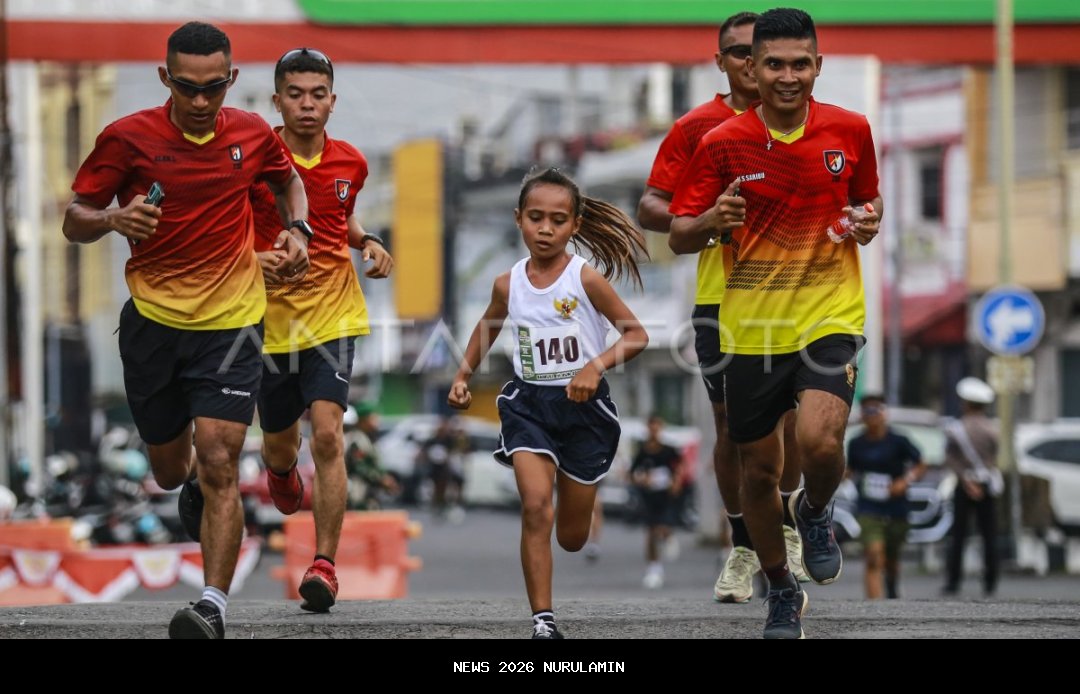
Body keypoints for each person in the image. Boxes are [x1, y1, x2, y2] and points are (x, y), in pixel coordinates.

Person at [63, 21, 310, 639]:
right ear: (164, 78)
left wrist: (296, 229)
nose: (201, 103)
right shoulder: (126, 138)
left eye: (214, 88)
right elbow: (73, 219)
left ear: (231, 79)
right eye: (186, 88)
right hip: (152, 325)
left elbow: (287, 180)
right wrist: (115, 218)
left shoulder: (252, 133)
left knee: (224, 457)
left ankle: (211, 607)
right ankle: (191, 478)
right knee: (173, 470)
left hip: (231, 324)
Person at [670, 7, 883, 639]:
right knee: (758, 473)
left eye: (800, 64)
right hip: (751, 330)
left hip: (828, 312)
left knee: (820, 442)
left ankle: (814, 509)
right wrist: (713, 220)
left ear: (818, 66)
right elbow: (680, 233)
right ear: (751, 71)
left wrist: (867, 222)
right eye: (774, 65)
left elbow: (865, 204)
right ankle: (782, 591)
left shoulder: (851, 130)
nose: (788, 77)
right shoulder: (719, 143)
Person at [637, 11, 807, 604]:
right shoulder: (698, 128)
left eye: (756, 54)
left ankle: (788, 527)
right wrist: (709, 221)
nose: (750, 65)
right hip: (721, 297)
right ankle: (742, 545)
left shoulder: (809, 121)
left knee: (793, 428)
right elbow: (652, 207)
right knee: (734, 427)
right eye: (737, 54)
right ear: (724, 62)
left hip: (798, 294)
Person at [447, 167, 649, 639]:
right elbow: (488, 325)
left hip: (585, 410)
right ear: (518, 219)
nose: (545, 229)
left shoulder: (586, 278)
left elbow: (637, 335)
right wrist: (462, 374)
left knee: (572, 538)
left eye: (558, 220)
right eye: (535, 217)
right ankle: (543, 622)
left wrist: (593, 366)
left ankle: (576, 495)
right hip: (528, 405)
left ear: (574, 225)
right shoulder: (507, 283)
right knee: (536, 506)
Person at [249, 47, 393, 613]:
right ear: (277, 100)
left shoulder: (351, 162)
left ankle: (325, 566)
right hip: (263, 323)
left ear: (332, 100)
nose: (307, 105)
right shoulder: (255, 161)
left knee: (330, 434)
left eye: (317, 94)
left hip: (333, 317)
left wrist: (372, 242)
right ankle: (280, 468)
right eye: (295, 94)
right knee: (281, 443)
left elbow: (344, 220)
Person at [846, 394, 927, 599]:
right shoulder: (856, 443)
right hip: (868, 507)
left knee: (890, 559)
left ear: (884, 413)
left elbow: (920, 463)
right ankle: (874, 607)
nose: (871, 416)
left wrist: (904, 481)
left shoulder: (898, 440)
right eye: (866, 411)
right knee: (874, 556)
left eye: (875, 410)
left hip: (896, 507)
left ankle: (891, 584)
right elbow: (849, 470)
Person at [942, 377, 1001, 597]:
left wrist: (966, 480)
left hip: (963, 484)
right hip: (986, 484)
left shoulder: (956, 428)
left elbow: (949, 457)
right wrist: (980, 480)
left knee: (958, 534)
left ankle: (953, 581)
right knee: (989, 534)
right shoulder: (992, 429)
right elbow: (995, 455)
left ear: (965, 403)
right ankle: (990, 581)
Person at [630, 415, 683, 589]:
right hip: (648, 495)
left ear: (660, 428)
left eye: (656, 427)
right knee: (651, 531)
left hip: (666, 494)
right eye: (650, 427)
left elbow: (680, 466)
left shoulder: (668, 450)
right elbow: (632, 473)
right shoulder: (642, 450)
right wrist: (641, 480)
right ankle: (654, 568)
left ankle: (668, 536)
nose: (653, 430)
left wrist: (676, 482)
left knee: (662, 527)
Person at [343, 402, 399, 511]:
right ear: (363, 420)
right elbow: (359, 467)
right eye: (373, 418)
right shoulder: (357, 439)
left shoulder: (367, 439)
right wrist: (381, 479)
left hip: (369, 493)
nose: (377, 422)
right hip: (358, 493)